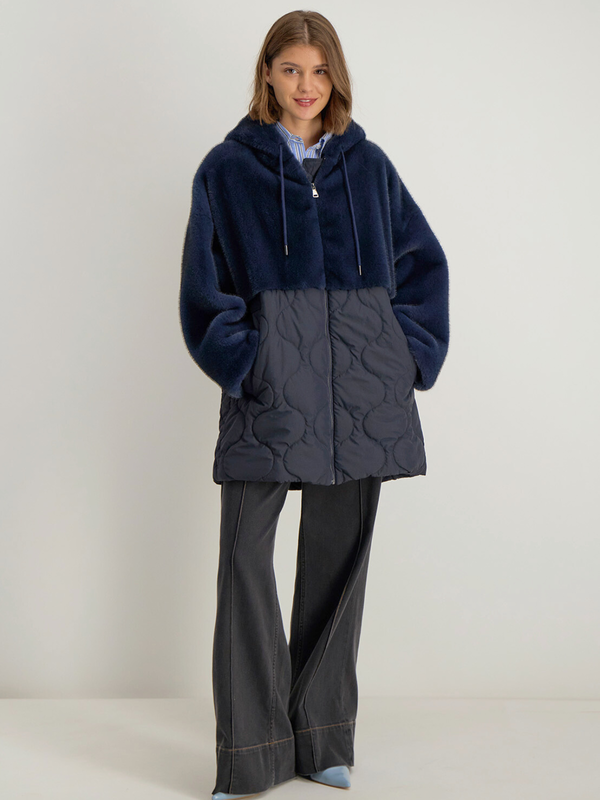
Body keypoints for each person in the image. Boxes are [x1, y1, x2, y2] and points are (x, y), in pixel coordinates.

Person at [179, 10, 450, 799]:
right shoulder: (226, 170)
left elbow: (424, 266)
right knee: (244, 562)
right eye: (292, 69)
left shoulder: (370, 167)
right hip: (271, 391)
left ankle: (323, 737)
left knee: (340, 562)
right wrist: (246, 358)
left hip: (361, 390)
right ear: (267, 72)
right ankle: (253, 753)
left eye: (320, 70)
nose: (307, 85)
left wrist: (407, 355)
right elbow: (205, 287)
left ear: (337, 77)